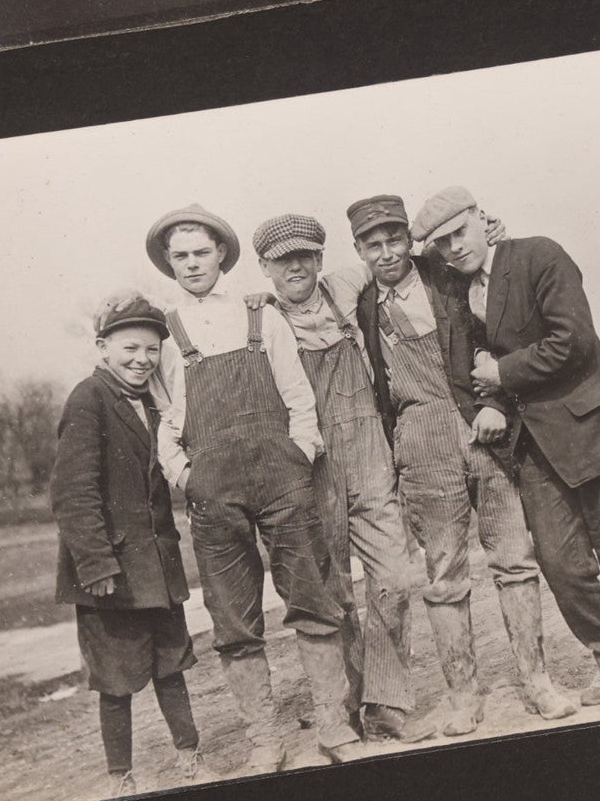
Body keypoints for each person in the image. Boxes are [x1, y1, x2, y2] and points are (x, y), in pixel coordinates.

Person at [412, 186, 600, 711]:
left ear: (482, 219)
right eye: (441, 243)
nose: (454, 248)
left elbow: (572, 339)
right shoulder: (459, 293)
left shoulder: (539, 255)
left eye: (460, 232)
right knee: (560, 564)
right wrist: (496, 398)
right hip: (535, 446)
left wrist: (502, 372)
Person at [348, 194, 577, 735]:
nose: (386, 254)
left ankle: (538, 682)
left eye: (394, 240)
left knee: (514, 559)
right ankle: (463, 697)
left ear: (412, 240)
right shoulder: (357, 303)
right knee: (444, 574)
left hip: (482, 429)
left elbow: (494, 339)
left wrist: (496, 404)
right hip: (419, 442)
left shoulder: (450, 279)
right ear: (358, 250)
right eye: (371, 245)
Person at [148, 204, 362, 769]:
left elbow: (299, 398)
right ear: (168, 264)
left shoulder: (261, 317)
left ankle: (333, 726)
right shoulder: (165, 334)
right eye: (180, 256)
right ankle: (264, 740)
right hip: (212, 492)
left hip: (283, 480)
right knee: (234, 622)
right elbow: (165, 420)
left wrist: (299, 455)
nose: (192, 264)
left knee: (312, 600)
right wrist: (185, 476)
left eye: (201, 252)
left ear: (222, 253)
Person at [251, 213, 435, 743]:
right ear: (265, 267)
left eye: (306, 256)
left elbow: (404, 262)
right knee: (333, 593)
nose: (297, 267)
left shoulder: (346, 288)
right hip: (309, 471)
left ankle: (385, 702)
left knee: (396, 581)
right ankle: (351, 705)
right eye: (284, 260)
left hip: (369, 458)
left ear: (321, 259)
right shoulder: (258, 323)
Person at [50, 291, 206, 797]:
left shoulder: (158, 403)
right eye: (129, 349)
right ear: (102, 347)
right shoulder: (88, 399)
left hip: (156, 567)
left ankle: (190, 758)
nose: (142, 360)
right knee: (115, 681)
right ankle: (122, 778)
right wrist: (95, 564)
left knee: (171, 667)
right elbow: (73, 493)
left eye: (152, 350)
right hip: (110, 571)